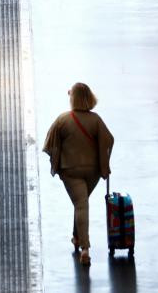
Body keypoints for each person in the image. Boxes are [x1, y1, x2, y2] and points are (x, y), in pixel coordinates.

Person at [42, 82, 114, 265]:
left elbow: (49, 145)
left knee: (80, 204)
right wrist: (103, 163)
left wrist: (57, 163)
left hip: (71, 171)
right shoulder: (96, 120)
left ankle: (85, 249)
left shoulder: (63, 119)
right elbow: (109, 140)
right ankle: (76, 237)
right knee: (81, 203)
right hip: (93, 172)